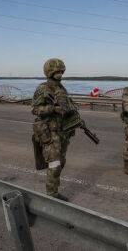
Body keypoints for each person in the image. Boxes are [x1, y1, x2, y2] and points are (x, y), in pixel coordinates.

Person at [31, 58, 77, 201]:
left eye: (61, 71)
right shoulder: (43, 88)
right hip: (50, 132)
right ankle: (52, 195)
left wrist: (72, 112)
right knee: (55, 164)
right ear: (50, 72)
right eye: (57, 71)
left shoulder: (61, 88)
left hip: (63, 132)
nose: (60, 74)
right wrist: (53, 109)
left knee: (61, 162)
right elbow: (35, 109)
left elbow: (68, 106)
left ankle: (54, 190)